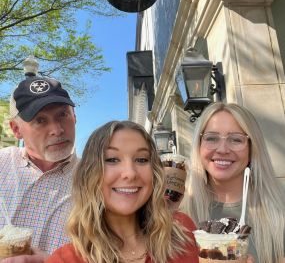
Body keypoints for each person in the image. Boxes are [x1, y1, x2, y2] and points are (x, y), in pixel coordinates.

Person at [45, 120, 199, 263]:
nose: (130, 173)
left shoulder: (184, 231)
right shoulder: (65, 259)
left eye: (141, 159)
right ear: (88, 174)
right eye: (112, 159)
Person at [181, 102, 285, 263]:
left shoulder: (279, 211)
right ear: (199, 146)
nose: (222, 149)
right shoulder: (179, 215)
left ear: (252, 148)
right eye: (212, 138)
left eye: (236, 140)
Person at [0, 70, 78, 263]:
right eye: (40, 120)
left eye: (63, 115)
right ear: (16, 129)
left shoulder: (98, 178)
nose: (57, 130)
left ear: (74, 117)